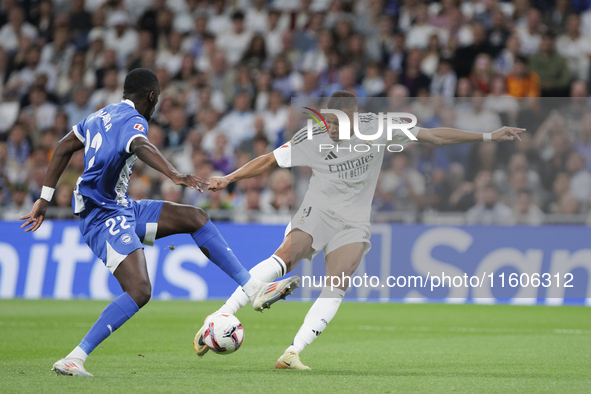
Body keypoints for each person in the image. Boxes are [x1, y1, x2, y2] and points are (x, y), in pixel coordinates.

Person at [195, 90, 524, 369]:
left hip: (353, 220)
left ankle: (293, 352)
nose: (331, 128)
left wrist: (489, 135)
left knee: (338, 282)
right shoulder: (313, 136)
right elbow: (269, 160)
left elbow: (434, 136)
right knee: (287, 255)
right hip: (318, 209)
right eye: (328, 121)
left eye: (337, 122)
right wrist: (229, 178)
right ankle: (220, 315)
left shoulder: (380, 128)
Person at [19, 69, 300, 377]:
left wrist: (44, 199)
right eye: (158, 99)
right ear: (151, 96)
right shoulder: (135, 121)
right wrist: (174, 174)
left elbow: (62, 147)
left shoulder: (101, 115)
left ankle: (253, 287)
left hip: (122, 206)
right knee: (139, 290)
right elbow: (141, 145)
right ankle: (75, 357)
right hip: (101, 215)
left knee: (196, 218)